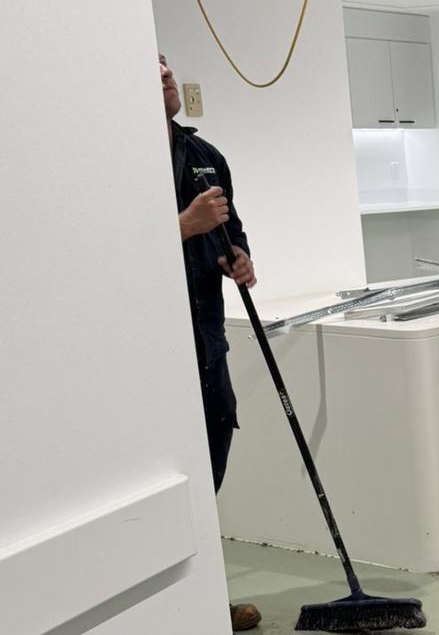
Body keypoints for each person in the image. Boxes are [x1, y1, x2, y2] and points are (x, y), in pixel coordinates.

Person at [162, 54, 261, 631]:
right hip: (152, 353)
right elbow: (101, 256)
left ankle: (204, 594)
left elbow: (231, 231)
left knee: (212, 453)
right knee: (168, 480)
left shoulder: (204, 157)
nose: (166, 74)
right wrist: (182, 226)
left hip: (205, 341)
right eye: (150, 69)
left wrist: (238, 258)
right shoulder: (112, 161)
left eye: (167, 66)